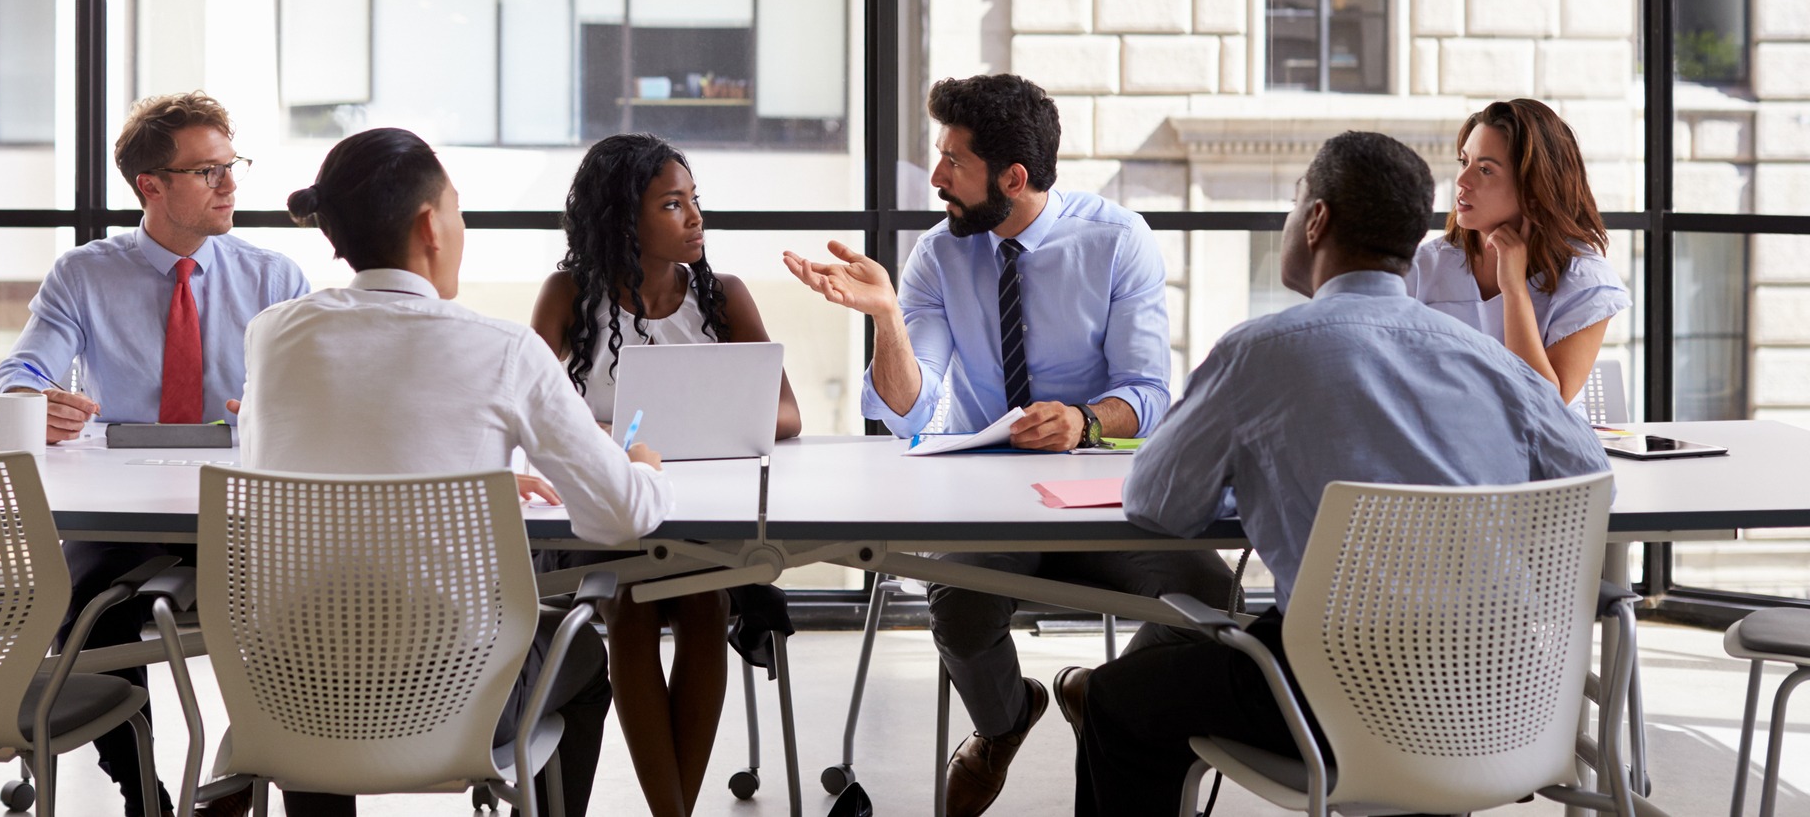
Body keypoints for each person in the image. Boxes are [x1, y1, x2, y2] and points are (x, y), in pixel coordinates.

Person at [1054, 131, 1610, 817]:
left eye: (1295, 206)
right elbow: (1587, 479)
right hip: (1499, 696)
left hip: (1337, 702)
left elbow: (1157, 501)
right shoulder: (1495, 364)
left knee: (1115, 701)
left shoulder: (1260, 352)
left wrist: (1254, 478)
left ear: (1315, 219)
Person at [784, 73, 1232, 817]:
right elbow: (910, 411)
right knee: (959, 612)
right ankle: (1004, 722)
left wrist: (1084, 420)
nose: (936, 177)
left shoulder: (1117, 241)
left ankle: (1105, 696)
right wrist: (887, 317)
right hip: (987, 498)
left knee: (1211, 597)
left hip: (1099, 494)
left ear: (1013, 178)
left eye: (953, 161)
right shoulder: (938, 254)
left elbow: (1149, 392)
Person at [235, 127, 672, 817]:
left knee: (317, 645)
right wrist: (640, 464)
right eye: (457, 210)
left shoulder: (273, 334)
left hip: (290, 700)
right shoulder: (503, 349)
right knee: (585, 656)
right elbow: (618, 515)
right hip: (456, 701)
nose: (461, 228)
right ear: (428, 226)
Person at [0, 92, 307, 817]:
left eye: (232, 165)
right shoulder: (83, 274)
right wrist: (34, 400)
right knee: (89, 612)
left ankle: (256, 773)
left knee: (296, 611)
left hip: (241, 508)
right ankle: (145, 798)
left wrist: (284, 409)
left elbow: (317, 401)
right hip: (119, 510)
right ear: (150, 185)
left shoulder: (274, 279)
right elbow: (17, 376)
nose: (229, 184)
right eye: (207, 171)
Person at [528, 132, 802, 817]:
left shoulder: (723, 295)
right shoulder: (567, 294)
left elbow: (788, 413)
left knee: (706, 606)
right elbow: (526, 408)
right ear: (623, 219)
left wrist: (656, 432)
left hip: (703, 515)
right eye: (673, 204)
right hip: (604, 514)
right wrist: (618, 442)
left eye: (694, 200)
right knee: (633, 606)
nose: (695, 218)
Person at [1408, 98, 1631, 403]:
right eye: (1464, 162)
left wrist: (1514, 290)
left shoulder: (1587, 283)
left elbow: (1543, 405)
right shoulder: (1423, 267)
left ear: (1535, 188)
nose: (1462, 180)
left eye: (1485, 170)